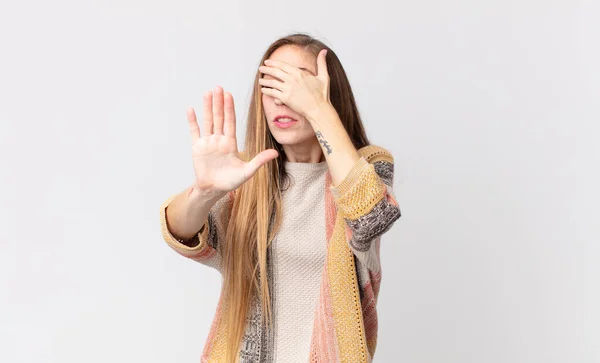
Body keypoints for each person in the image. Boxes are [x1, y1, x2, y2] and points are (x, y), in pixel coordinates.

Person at [159, 33, 401, 363]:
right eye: (271, 86)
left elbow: (371, 218)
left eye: (296, 85)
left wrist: (319, 110)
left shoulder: (367, 166)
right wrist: (204, 192)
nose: (282, 100)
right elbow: (182, 233)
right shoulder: (247, 174)